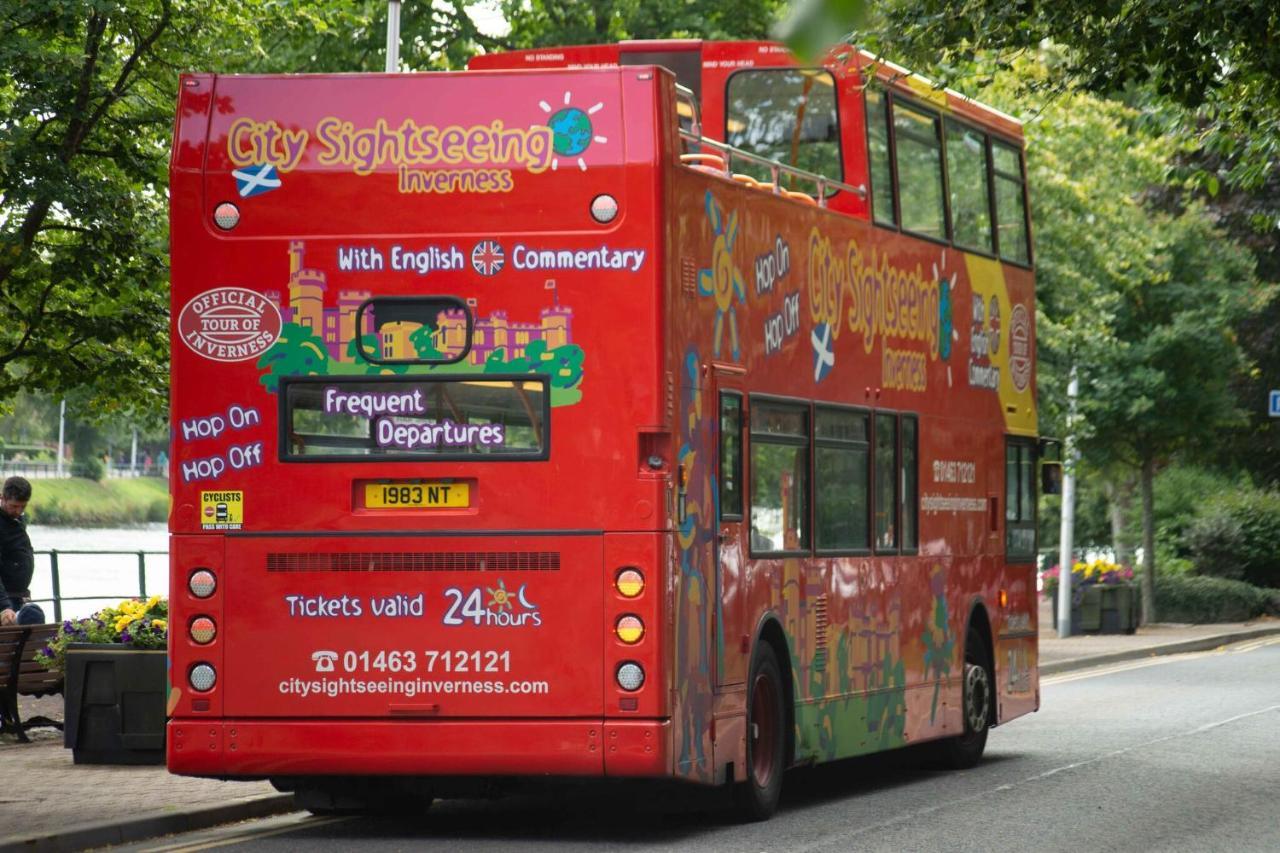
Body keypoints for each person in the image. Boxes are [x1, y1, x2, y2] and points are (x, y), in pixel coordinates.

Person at [0, 476, 44, 626]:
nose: (18, 511)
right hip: (6, 599)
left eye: (22, 507)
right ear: (2, 498)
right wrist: (4, 606)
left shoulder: (16, 520)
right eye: (14, 506)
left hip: (18, 596)